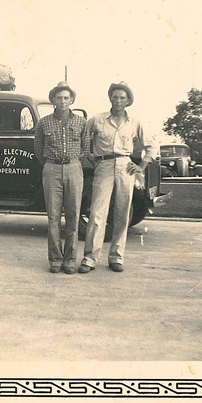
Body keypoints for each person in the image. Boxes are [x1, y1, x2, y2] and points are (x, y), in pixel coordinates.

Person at [79, 82, 157, 273]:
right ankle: (90, 258)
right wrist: (92, 159)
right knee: (97, 213)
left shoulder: (135, 122)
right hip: (103, 165)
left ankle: (116, 257)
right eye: (115, 97)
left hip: (125, 167)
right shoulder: (97, 119)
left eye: (123, 97)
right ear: (110, 98)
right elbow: (82, 139)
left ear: (128, 101)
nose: (119, 101)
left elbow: (152, 146)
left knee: (122, 213)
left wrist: (140, 166)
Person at [33, 81, 89, 275]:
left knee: (73, 216)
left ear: (72, 99)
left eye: (66, 98)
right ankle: (55, 259)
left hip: (74, 167)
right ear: (53, 100)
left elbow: (86, 148)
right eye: (59, 98)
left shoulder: (81, 122)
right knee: (53, 217)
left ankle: (70, 260)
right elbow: (38, 149)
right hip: (51, 169)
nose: (63, 101)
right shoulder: (44, 122)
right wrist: (51, 165)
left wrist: (72, 162)